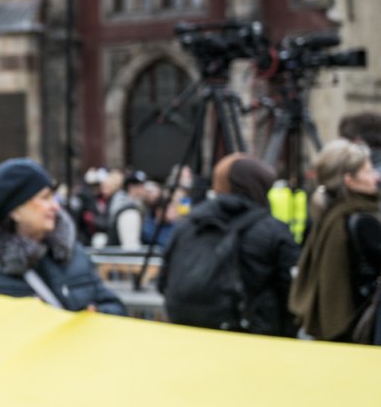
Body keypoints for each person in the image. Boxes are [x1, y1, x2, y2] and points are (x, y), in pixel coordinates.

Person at [0, 158, 128, 315]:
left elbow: (115, 307)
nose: (55, 206)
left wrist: (95, 314)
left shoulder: (70, 251)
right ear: (15, 210)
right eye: (44, 198)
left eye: (53, 197)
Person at [157, 154, 300, 336]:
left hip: (190, 337)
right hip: (254, 341)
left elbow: (163, 282)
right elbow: (294, 293)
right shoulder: (272, 230)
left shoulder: (188, 224)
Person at [289, 140, 381, 342]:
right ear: (350, 180)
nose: (376, 176)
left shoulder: (328, 213)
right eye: (367, 171)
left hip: (328, 324)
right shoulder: (362, 220)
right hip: (355, 325)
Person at [107, 169, 149, 250]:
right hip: (118, 260)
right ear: (131, 187)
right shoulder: (129, 212)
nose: (144, 190)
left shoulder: (129, 206)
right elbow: (131, 247)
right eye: (141, 186)